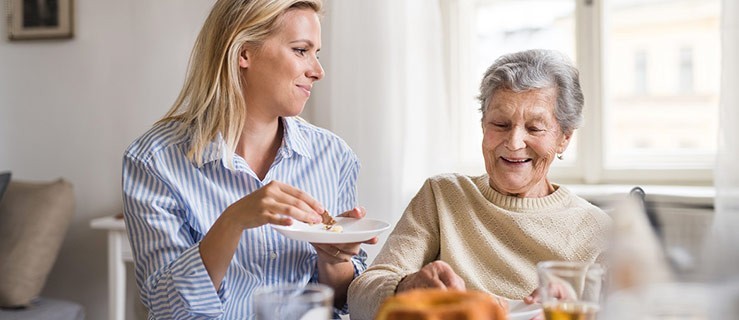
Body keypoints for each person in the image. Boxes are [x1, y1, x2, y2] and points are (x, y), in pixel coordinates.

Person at [122, 1, 377, 319]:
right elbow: (166, 307)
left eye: (317, 53)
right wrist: (233, 221)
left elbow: (344, 303)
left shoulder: (334, 156)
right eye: (301, 50)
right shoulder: (153, 161)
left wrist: (334, 259)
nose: (318, 71)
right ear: (244, 53)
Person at [347, 49, 611, 319]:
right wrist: (406, 287)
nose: (514, 142)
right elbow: (359, 299)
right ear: (484, 125)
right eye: (500, 124)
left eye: (534, 128)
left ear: (564, 137)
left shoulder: (598, 230)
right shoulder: (442, 196)